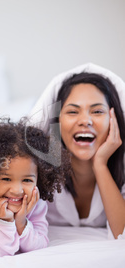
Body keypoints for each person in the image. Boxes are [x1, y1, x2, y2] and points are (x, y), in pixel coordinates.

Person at [34, 72, 125, 239]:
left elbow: (122, 233)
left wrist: (100, 164)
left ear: (114, 119)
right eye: (73, 112)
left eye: (97, 111)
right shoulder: (34, 168)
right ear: (57, 122)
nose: (85, 120)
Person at [0, 120, 70, 256]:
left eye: (27, 180)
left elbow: (40, 245)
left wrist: (21, 222)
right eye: (6, 179)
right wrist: (5, 221)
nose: (17, 190)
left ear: (39, 179)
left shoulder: (36, 203)